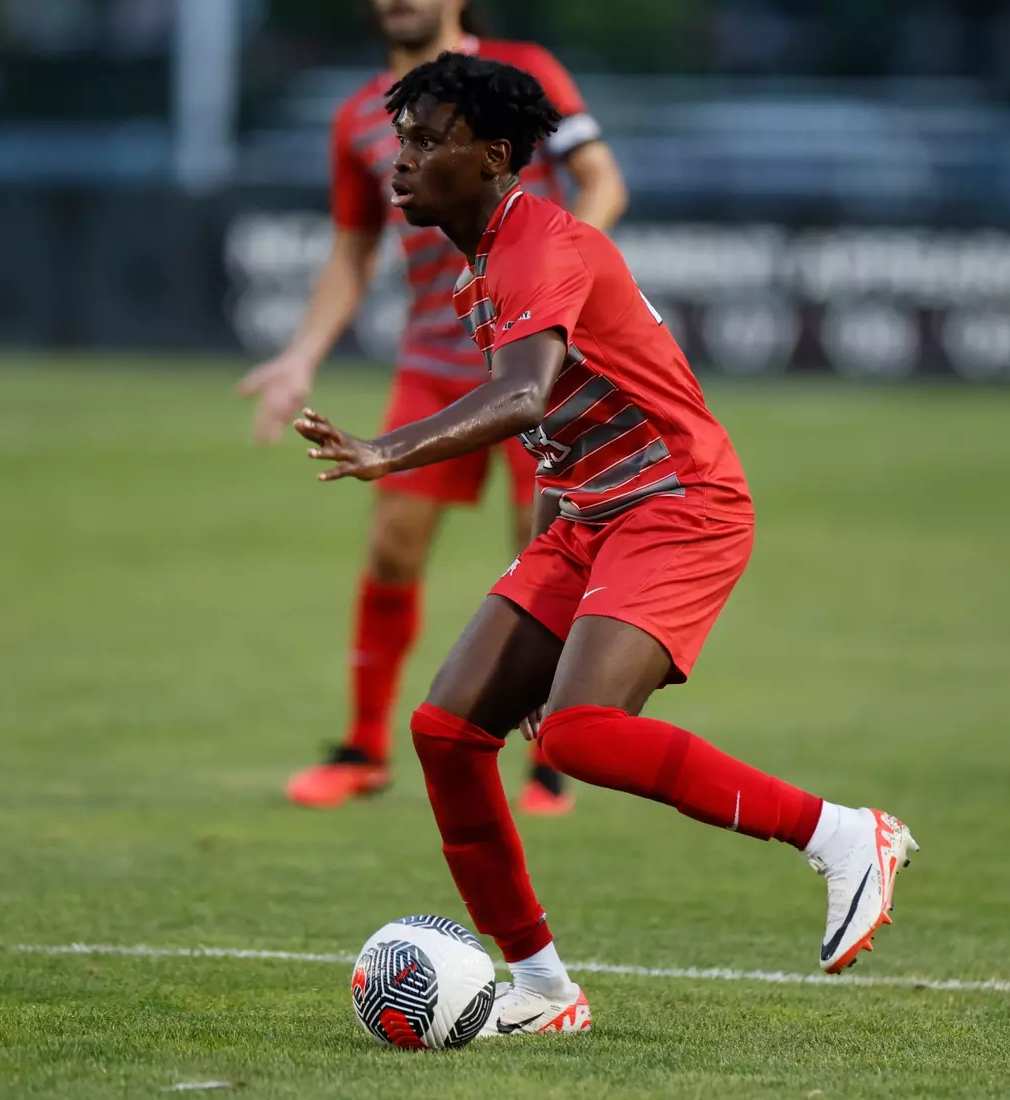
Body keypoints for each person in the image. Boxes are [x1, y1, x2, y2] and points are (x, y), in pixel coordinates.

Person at [293, 53, 919, 1037]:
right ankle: (543, 986)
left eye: (424, 141)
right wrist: (549, 601)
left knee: (580, 732)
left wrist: (390, 447)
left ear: (494, 154)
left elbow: (524, 396)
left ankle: (844, 835)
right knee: (448, 733)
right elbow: (558, 436)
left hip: (681, 502)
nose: (398, 161)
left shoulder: (540, 246)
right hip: (592, 515)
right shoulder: (486, 268)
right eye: (399, 140)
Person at [240, 0, 627, 816]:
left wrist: (554, 279)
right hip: (435, 360)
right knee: (391, 547)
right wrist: (301, 355)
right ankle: (363, 749)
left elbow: (603, 183)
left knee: (548, 552)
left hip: (538, 357)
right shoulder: (358, 116)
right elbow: (353, 249)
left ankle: (553, 756)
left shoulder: (521, 72)